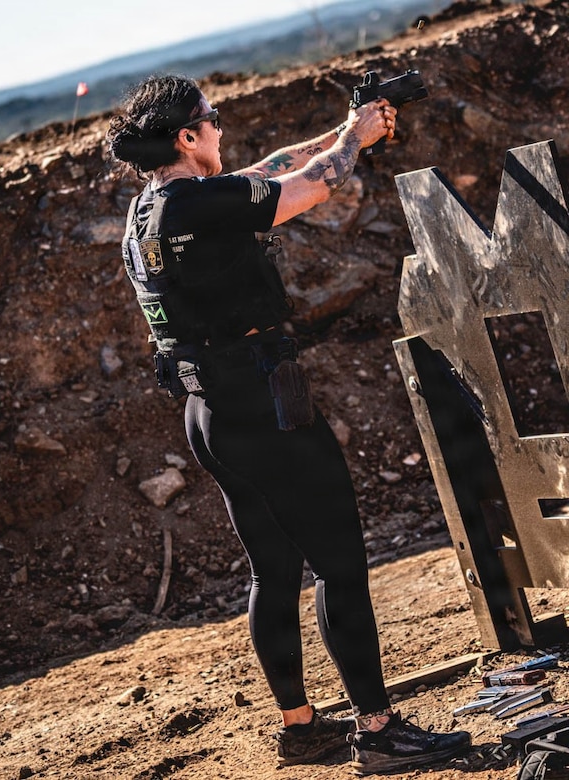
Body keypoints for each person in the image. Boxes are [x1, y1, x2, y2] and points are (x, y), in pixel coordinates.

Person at [107, 73, 471, 775]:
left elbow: (272, 169)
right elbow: (309, 187)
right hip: (261, 401)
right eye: (212, 119)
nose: (221, 128)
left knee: (273, 569)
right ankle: (380, 728)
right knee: (338, 560)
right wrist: (356, 142)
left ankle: (300, 726)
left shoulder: (155, 208)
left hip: (209, 410)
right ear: (187, 136)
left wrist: (348, 125)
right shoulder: (200, 204)